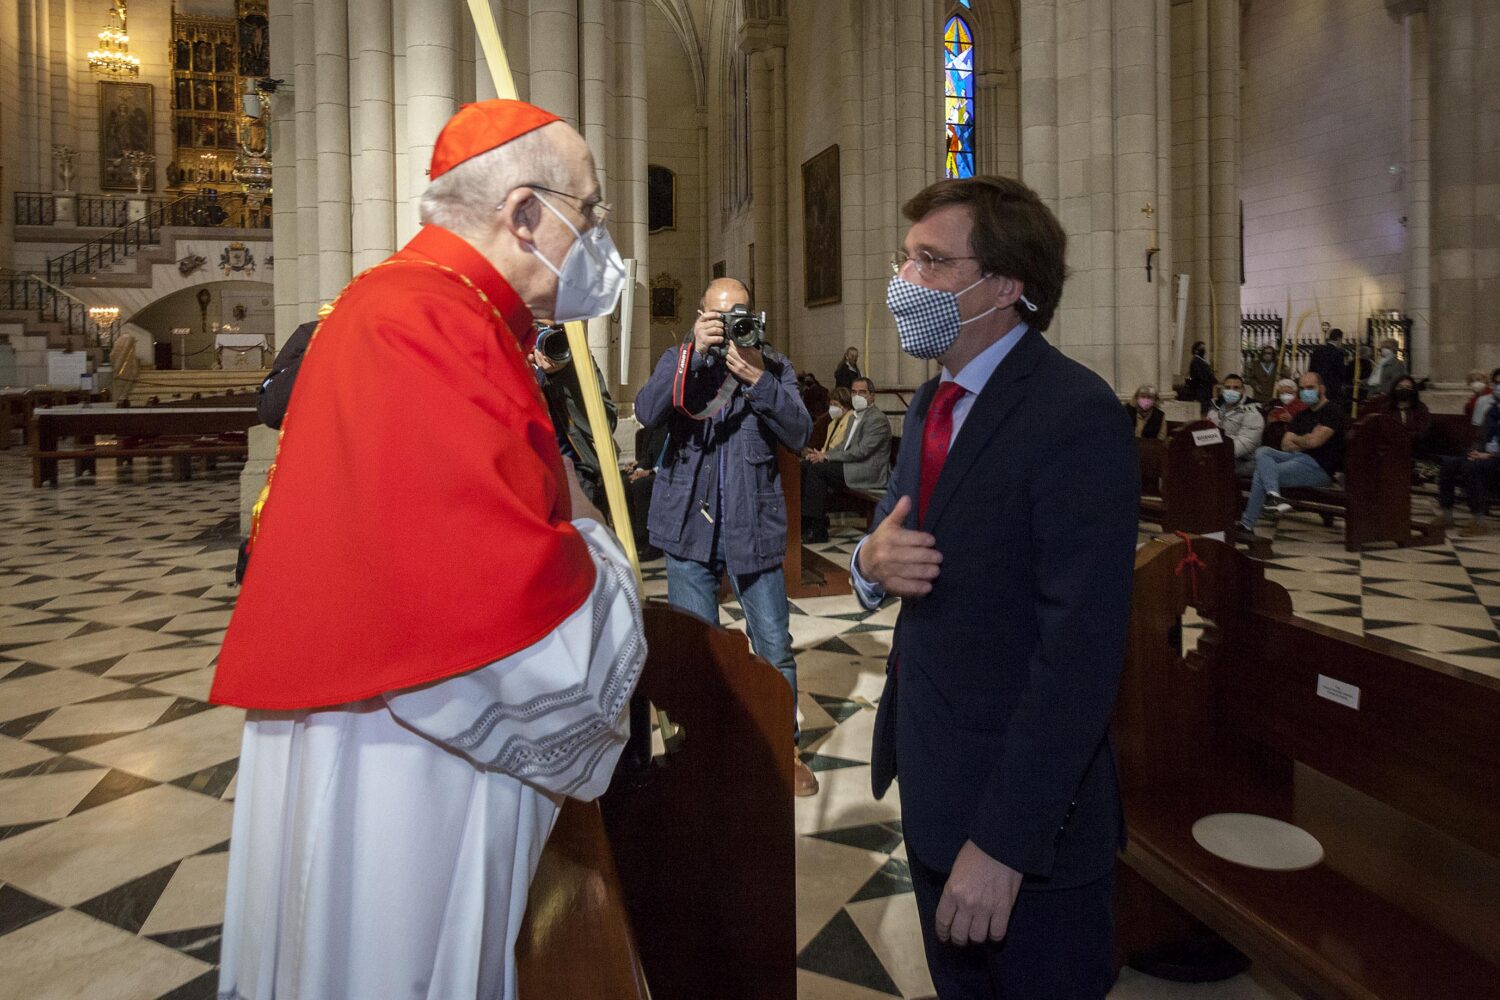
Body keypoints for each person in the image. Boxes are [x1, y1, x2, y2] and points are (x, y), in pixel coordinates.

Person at [210, 100, 646, 1000]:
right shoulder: (429, 321)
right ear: (525, 214)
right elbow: (491, 602)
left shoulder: (422, 304)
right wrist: (607, 568)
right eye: (590, 209)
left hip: (384, 713)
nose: (598, 234)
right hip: (400, 755)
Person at [853, 176, 1138, 998]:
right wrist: (870, 562)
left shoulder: (1074, 413)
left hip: (1023, 829)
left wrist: (1007, 844)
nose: (904, 281)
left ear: (1006, 286)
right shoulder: (931, 402)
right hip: (934, 782)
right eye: (906, 258)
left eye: (932, 262)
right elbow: (894, 533)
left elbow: (1079, 656)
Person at [634, 277, 817, 796]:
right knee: (698, 649)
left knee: (774, 645)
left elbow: (801, 434)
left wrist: (759, 380)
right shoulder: (679, 360)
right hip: (688, 527)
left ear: (754, 318)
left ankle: (783, 746)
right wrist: (692, 353)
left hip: (752, 526)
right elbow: (647, 411)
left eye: (738, 314)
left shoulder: (773, 366)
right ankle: (704, 749)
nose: (728, 324)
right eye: (717, 316)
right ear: (700, 316)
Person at [1236, 371, 1345, 542]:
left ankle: (1248, 522)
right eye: (1302, 388)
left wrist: (1300, 440)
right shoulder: (1302, 415)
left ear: (1321, 389)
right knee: (1263, 452)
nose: (1305, 392)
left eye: (1310, 388)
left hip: (1319, 467)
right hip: (1295, 457)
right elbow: (1285, 445)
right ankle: (1273, 496)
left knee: (1261, 472)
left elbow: (1315, 442)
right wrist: (1307, 439)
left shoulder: (1333, 411)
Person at [532, 322, 619, 511]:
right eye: (536, 327)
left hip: (578, 477)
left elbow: (606, 423)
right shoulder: (508, 354)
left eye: (557, 329)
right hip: (530, 478)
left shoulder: (575, 358)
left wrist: (563, 375)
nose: (548, 337)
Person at [802, 376, 893, 542]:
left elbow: (862, 451)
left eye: (862, 392)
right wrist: (820, 455)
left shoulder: (877, 419)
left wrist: (827, 456)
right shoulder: (853, 417)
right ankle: (804, 522)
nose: (857, 396)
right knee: (807, 465)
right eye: (854, 392)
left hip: (867, 470)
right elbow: (844, 445)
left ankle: (818, 528)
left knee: (817, 470)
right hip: (852, 465)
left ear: (872, 396)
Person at [1437, 394, 1500, 536]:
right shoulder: (1492, 411)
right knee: (1448, 463)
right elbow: (1480, 437)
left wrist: (1491, 455)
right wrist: (1474, 451)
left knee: (1471, 467)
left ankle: (1478, 522)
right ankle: (1447, 515)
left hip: (1495, 458)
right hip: (1484, 455)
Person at [1208, 373, 1266, 477]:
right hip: (1219, 453)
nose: (1231, 391)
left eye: (1236, 388)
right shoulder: (1215, 409)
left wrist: (1217, 453)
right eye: (1228, 388)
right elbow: (1207, 431)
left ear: (1243, 390)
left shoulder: (1251, 412)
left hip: (1243, 460)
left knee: (1210, 469)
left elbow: (1245, 442)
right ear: (1223, 390)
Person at [1310, 327, 1348, 406]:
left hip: (1318, 386)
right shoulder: (1338, 353)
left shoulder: (1317, 351)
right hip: (1333, 388)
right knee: (1331, 408)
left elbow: (1311, 369)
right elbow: (1341, 372)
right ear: (1339, 339)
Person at [1184, 340, 1215, 415]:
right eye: (1201, 348)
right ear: (1196, 350)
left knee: (1207, 409)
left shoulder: (1201, 360)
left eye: (1204, 348)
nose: (1204, 350)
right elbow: (1199, 376)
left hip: (1206, 390)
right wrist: (1210, 378)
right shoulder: (1195, 361)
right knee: (1203, 411)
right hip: (1201, 390)